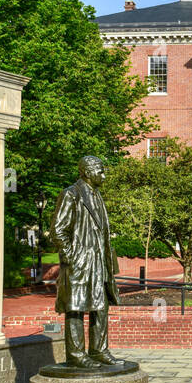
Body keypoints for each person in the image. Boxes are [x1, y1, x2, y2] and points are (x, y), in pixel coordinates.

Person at [52, 155, 121, 368]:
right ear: (88, 172)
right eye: (100, 171)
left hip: (99, 261)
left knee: (101, 306)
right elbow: (58, 229)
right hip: (80, 262)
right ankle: (76, 355)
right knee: (76, 308)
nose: (104, 175)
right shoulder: (71, 194)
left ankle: (99, 350)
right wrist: (71, 257)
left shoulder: (96, 195)